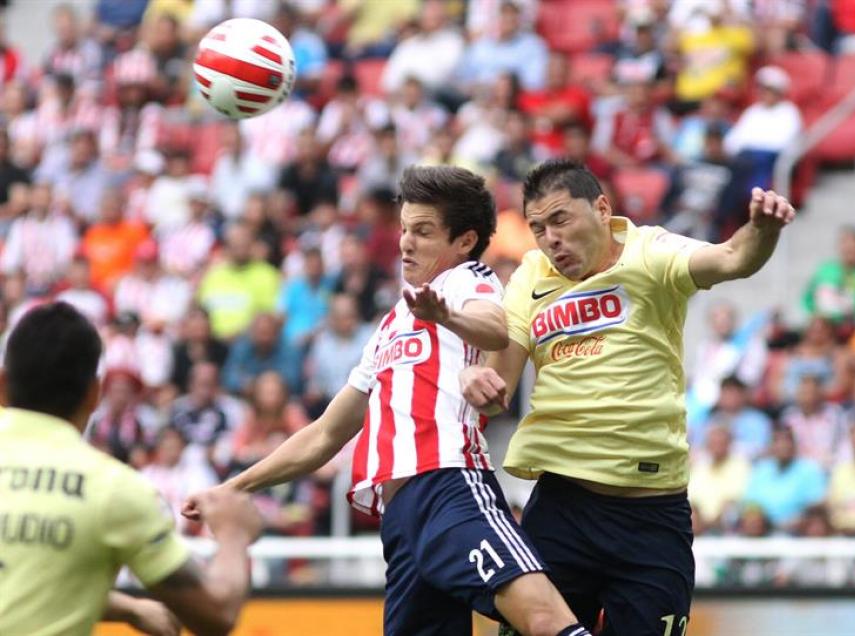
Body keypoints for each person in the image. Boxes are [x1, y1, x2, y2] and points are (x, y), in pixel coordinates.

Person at [185, 166, 591, 636]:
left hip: (449, 488)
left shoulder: (465, 282)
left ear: (464, 241)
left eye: (422, 231)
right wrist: (236, 487)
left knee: (544, 618)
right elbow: (324, 434)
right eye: (403, 229)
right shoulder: (391, 324)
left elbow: (494, 326)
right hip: (401, 521)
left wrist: (447, 316)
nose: (405, 243)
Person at [460, 159, 796, 635]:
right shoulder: (530, 276)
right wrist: (477, 380)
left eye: (560, 220)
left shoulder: (651, 252)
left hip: (652, 517)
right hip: (562, 509)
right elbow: (499, 390)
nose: (549, 238)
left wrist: (762, 229)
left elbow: (732, 258)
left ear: (601, 208)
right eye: (538, 228)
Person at [0, 302, 263, 635]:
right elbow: (216, 613)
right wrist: (233, 534)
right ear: (95, 395)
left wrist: (128, 607)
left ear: (2, 384)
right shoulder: (114, 489)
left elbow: (23, 577)